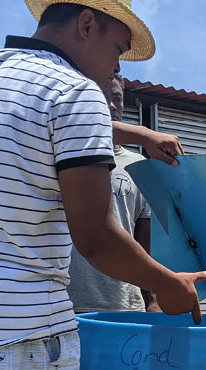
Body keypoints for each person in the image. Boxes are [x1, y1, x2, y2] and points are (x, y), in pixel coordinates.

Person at [0, 2, 206, 370]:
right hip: (5, 340)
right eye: (118, 47)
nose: (117, 65)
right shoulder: (76, 92)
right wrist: (170, 285)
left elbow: (42, 116)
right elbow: (96, 238)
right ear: (88, 24)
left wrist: (140, 135)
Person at [67, 70, 160, 314]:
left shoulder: (139, 165)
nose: (110, 105)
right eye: (100, 96)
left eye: (116, 98)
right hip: (66, 304)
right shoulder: (65, 155)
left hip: (125, 306)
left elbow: (146, 242)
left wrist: (154, 299)